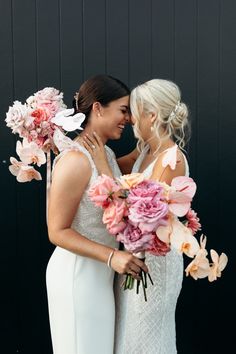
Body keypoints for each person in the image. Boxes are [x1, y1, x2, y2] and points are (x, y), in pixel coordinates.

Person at [83, 78, 190, 354]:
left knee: (146, 340)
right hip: (134, 259)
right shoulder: (145, 151)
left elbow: (136, 212)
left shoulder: (172, 160)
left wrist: (102, 164)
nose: (129, 119)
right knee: (128, 337)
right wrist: (78, 152)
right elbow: (106, 168)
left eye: (135, 111)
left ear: (152, 115)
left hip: (155, 265)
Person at [46, 74, 148, 354]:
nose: (127, 119)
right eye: (124, 110)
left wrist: (158, 129)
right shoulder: (76, 160)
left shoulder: (107, 155)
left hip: (100, 277)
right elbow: (56, 231)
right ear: (98, 108)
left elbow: (139, 161)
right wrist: (113, 256)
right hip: (77, 276)